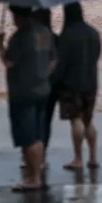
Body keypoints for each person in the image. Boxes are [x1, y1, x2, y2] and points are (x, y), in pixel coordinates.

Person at [0, 6, 56, 192]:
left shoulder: (20, 37)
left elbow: (8, 62)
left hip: (23, 92)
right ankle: (34, 174)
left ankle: (34, 178)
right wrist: (42, 75)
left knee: (29, 137)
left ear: (18, 16)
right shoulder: (44, 32)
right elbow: (53, 60)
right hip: (42, 89)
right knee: (38, 133)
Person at [54, 2, 102, 171]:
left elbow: (61, 63)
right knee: (88, 120)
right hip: (91, 82)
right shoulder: (94, 33)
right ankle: (94, 157)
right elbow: (97, 56)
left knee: (76, 120)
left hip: (72, 84)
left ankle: (78, 158)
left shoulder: (67, 35)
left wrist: (56, 81)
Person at [35, 9, 60, 162]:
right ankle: (43, 155)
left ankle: (33, 156)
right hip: (53, 85)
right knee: (47, 121)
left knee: (36, 120)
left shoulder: (36, 38)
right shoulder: (55, 37)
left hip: (38, 84)